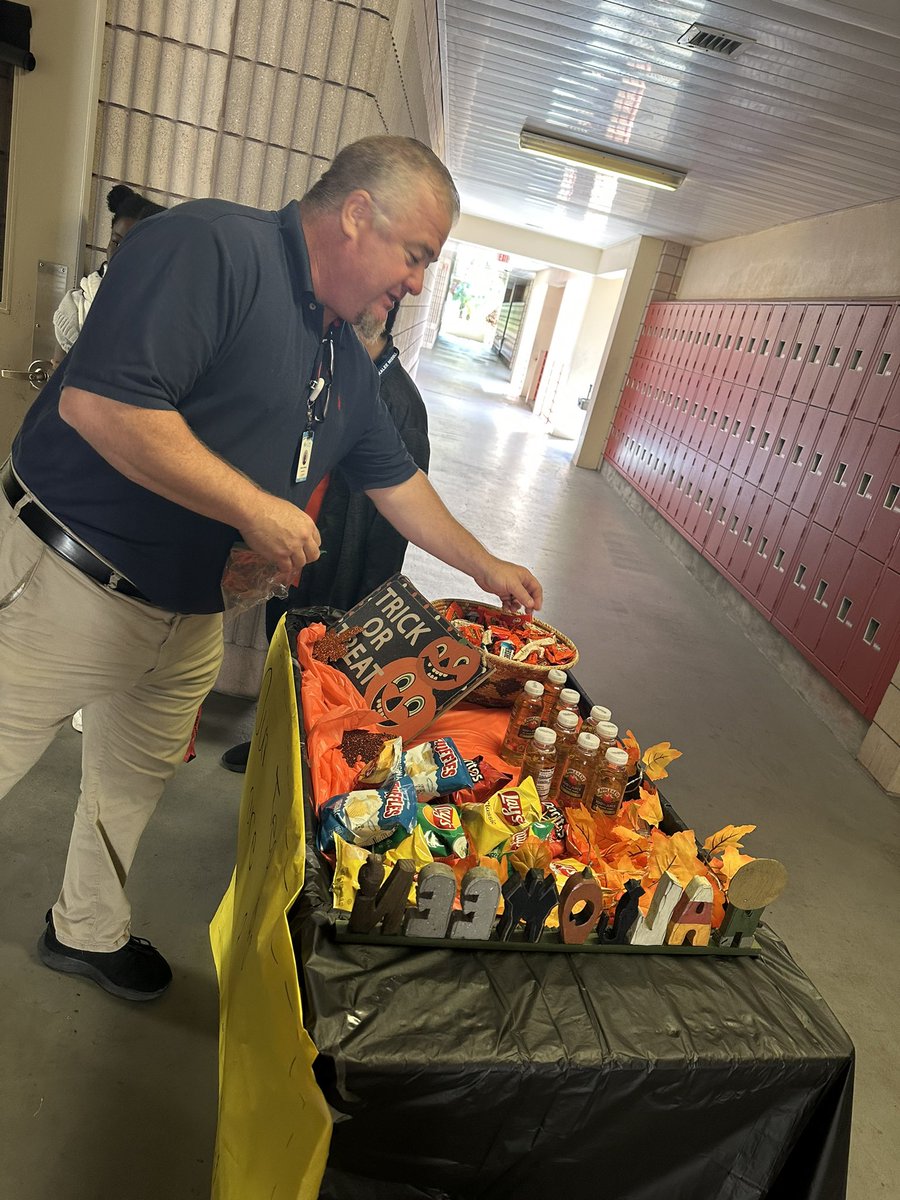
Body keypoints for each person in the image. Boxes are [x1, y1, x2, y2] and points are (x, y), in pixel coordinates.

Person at [0, 135, 542, 1003]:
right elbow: (101, 402)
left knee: (131, 781)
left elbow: (395, 479)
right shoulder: (216, 250)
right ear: (358, 213)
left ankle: (86, 929)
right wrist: (253, 509)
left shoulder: (338, 352)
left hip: (185, 611)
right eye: (416, 256)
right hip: (68, 579)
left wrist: (487, 565)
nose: (414, 282)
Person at [221, 301, 430, 773]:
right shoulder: (329, 369)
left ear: (376, 318)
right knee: (285, 651)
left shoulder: (399, 403)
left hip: (342, 574)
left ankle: (311, 765)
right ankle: (267, 742)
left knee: (326, 670)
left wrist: (367, 602)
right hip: (291, 553)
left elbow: (394, 526)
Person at [52, 184, 165, 365]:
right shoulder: (76, 309)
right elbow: (57, 384)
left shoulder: (169, 314)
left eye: (135, 249)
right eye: (116, 243)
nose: (120, 255)